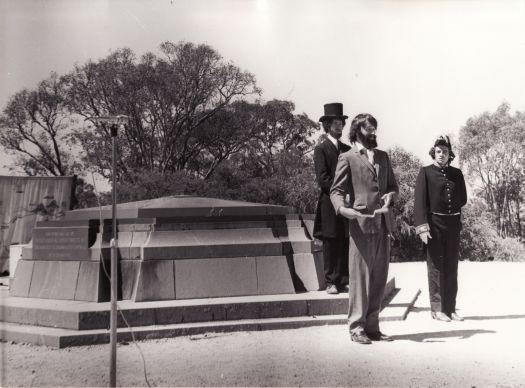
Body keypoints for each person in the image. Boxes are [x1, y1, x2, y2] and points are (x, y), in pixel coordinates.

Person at [330, 113, 398, 344]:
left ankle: (372, 326)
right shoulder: (347, 157)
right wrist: (342, 210)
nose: (374, 134)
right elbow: (335, 191)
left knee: (379, 277)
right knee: (360, 278)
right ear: (358, 131)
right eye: (370, 130)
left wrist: (390, 196)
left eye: (375, 129)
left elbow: (392, 187)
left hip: (383, 225)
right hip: (360, 223)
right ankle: (356, 328)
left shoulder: (383, 157)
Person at [414, 136, 467, 322]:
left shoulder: (457, 174)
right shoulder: (426, 172)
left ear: (449, 154)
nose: (441, 155)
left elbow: (463, 199)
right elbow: (419, 203)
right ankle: (437, 309)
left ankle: (450, 308)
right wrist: (422, 227)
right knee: (435, 267)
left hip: (453, 225)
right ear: (433, 153)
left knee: (452, 267)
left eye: (445, 152)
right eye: (438, 151)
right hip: (433, 226)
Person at [313, 103, 351, 294]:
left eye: (341, 123)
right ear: (327, 125)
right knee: (331, 240)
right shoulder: (321, 149)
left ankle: (344, 279)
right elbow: (323, 179)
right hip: (329, 201)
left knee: (345, 238)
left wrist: (349, 194)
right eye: (335, 123)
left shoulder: (348, 149)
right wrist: (339, 193)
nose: (339, 126)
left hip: (347, 201)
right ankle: (330, 282)